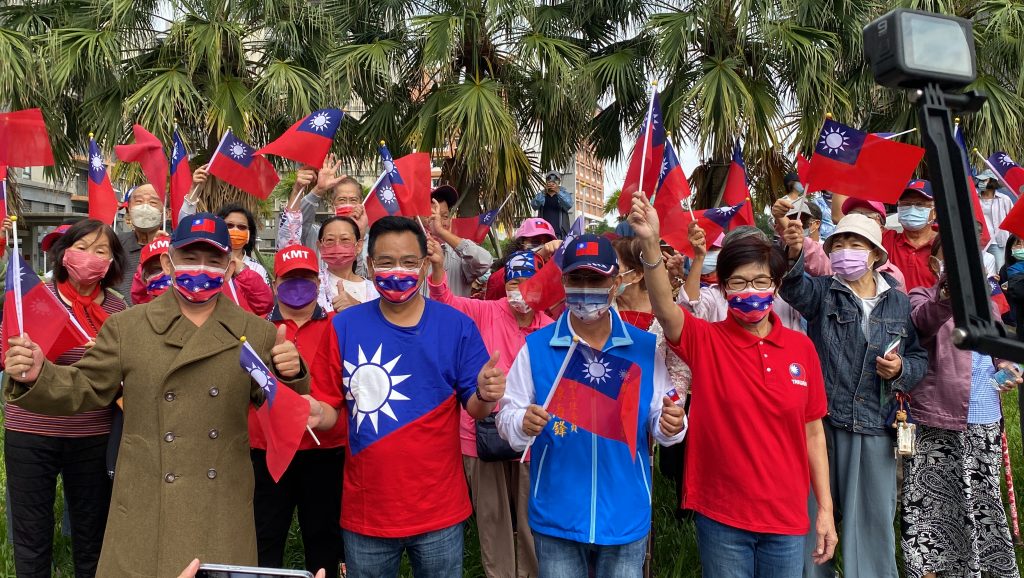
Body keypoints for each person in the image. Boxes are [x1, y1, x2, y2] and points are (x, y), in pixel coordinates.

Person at [3, 213, 317, 577]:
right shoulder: (128, 327)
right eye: (189, 257)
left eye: (213, 260)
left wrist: (290, 372)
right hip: (146, 501)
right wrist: (40, 374)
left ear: (230, 267)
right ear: (168, 262)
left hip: (221, 504)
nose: (200, 268)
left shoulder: (257, 332)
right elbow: (85, 386)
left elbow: (281, 410)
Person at [625, 191, 836, 576]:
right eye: (738, 282)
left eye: (760, 281)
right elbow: (666, 311)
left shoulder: (801, 348)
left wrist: (824, 509)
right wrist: (652, 244)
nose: (750, 291)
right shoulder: (706, 340)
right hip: (722, 516)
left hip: (787, 519)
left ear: (775, 285)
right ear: (723, 288)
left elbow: (813, 432)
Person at [309, 216, 507, 578]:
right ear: (370, 265)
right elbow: (329, 409)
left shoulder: (456, 325)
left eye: (408, 261)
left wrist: (487, 393)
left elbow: (476, 408)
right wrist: (311, 411)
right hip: (367, 509)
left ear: (424, 265)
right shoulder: (343, 326)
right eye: (386, 262)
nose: (397, 271)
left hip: (439, 511)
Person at [496, 234, 687, 578]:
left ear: (615, 284)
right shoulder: (537, 348)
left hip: (626, 514)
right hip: (557, 516)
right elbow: (507, 417)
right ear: (563, 281)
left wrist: (672, 424)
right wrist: (521, 422)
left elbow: (664, 413)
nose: (586, 289)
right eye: (577, 278)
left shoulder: (643, 348)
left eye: (596, 279)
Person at [779, 213, 928, 578]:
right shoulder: (822, 291)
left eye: (855, 244)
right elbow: (792, 287)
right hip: (823, 424)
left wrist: (901, 369)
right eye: (839, 245)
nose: (846, 251)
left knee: (872, 527)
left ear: (875, 254)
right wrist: (793, 250)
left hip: (875, 424)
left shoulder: (898, 301)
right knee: (814, 520)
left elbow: (918, 357)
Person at [2, 219, 128, 577]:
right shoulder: (33, 298)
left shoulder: (120, 312)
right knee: (31, 533)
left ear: (112, 261)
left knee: (93, 533)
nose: (90, 257)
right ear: (64, 253)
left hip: (92, 435)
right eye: (81, 247)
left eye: (101, 251)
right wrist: (18, 359)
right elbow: (5, 351)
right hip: (31, 431)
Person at [902, 235, 1021, 578]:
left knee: (982, 499)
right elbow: (922, 324)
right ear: (935, 264)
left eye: (968, 258)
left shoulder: (988, 305)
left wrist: (1007, 367)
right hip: (937, 415)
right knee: (931, 503)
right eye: (951, 257)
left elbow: (998, 350)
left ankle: (981, 569)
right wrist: (947, 294)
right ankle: (930, 569)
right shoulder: (921, 296)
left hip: (985, 415)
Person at [428, 249, 550, 578]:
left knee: (533, 519)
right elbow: (445, 302)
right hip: (480, 433)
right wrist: (438, 268)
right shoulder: (486, 311)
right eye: (513, 283)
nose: (520, 290)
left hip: (532, 438)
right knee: (492, 518)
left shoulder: (551, 329)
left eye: (529, 282)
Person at [251, 245, 347, 578]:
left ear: (318, 283)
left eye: (306, 277)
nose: (298, 285)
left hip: (325, 449)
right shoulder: (257, 329)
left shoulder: (339, 325)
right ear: (275, 283)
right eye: (289, 278)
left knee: (324, 541)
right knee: (264, 537)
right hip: (267, 450)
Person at [680, 224, 806, 331]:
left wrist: (795, 252)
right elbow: (688, 313)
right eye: (738, 282)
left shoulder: (785, 300)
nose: (750, 288)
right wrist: (698, 258)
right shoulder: (715, 296)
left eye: (760, 281)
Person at [277, 156, 369, 257]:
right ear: (332, 204)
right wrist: (317, 191)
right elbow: (292, 230)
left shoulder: (370, 242)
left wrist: (360, 235)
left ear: (361, 203)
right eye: (342, 200)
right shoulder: (317, 235)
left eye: (353, 200)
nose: (347, 205)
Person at [427, 185, 494, 297]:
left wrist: (441, 232)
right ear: (415, 218)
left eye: (445, 216)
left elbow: (484, 262)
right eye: (433, 215)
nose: (440, 222)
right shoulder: (406, 255)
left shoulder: (459, 256)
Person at [314, 216, 379, 312]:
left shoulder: (376, 290)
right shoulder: (312, 283)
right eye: (330, 240)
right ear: (320, 246)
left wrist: (357, 308)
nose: (337, 245)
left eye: (345, 239)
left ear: (359, 246)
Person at [485, 217, 558, 300]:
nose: (545, 247)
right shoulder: (502, 274)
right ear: (520, 244)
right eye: (535, 241)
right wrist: (534, 259)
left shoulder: (554, 272)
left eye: (548, 243)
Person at [883, 180, 938, 291]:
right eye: (906, 204)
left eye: (919, 204)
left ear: (934, 212)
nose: (912, 209)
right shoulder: (887, 239)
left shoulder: (944, 246)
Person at [115, 184, 165, 303]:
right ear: (128, 210)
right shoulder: (115, 244)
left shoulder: (173, 247)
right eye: (138, 202)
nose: (145, 208)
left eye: (153, 202)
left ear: (166, 213)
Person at [978, 172, 1013, 271]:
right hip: (980, 240)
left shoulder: (1004, 199)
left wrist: (1012, 241)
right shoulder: (974, 199)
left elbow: (1011, 218)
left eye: (984, 180)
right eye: (980, 180)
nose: (981, 183)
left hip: (997, 241)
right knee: (981, 269)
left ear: (992, 182)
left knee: (999, 269)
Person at [782, 173, 834, 239]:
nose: (801, 184)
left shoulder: (804, 200)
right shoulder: (784, 201)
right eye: (798, 182)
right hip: (791, 235)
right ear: (790, 184)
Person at [130, 237, 173, 304]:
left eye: (171, 266)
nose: (165, 273)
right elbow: (138, 297)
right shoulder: (146, 306)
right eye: (156, 270)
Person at [530, 172, 573, 239]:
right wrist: (544, 192)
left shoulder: (564, 194)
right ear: (546, 181)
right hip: (544, 232)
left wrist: (558, 192)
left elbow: (569, 205)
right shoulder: (542, 195)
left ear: (559, 182)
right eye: (549, 179)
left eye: (555, 180)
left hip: (559, 233)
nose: (552, 182)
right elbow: (534, 205)